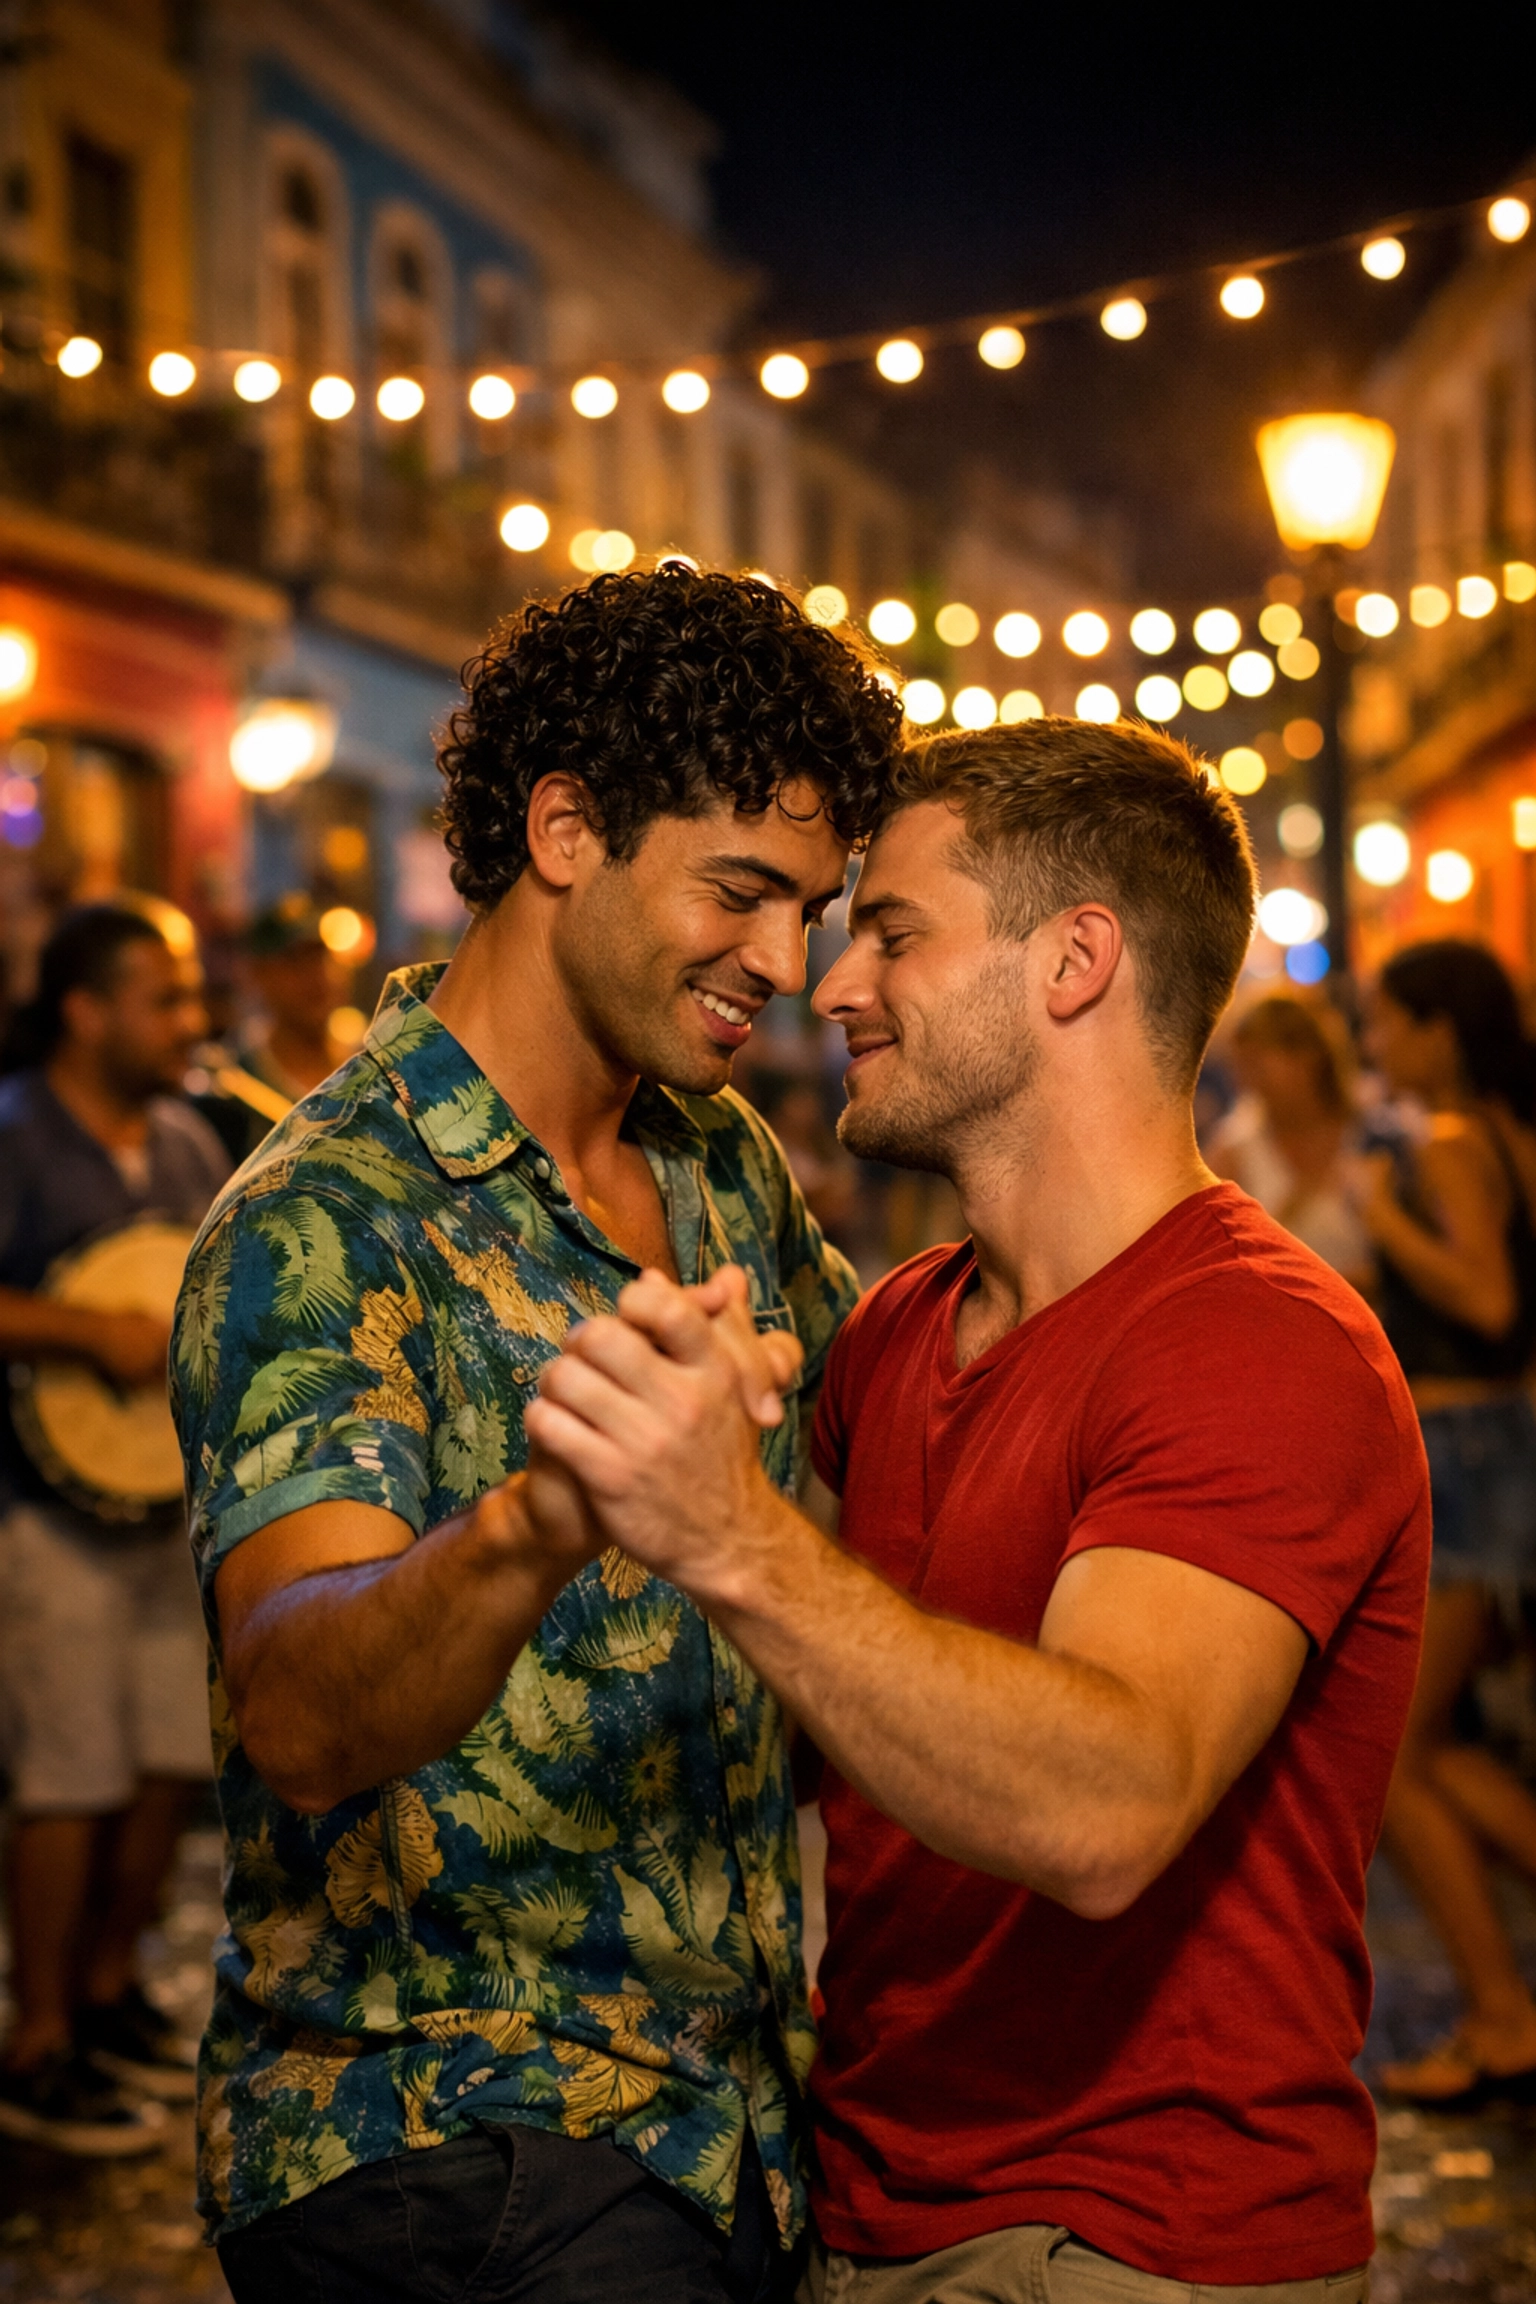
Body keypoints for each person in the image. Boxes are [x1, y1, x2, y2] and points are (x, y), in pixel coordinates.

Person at [524, 717, 1432, 2302]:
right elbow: (830, 1724)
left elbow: (1108, 1807)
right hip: (872, 2197)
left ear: (1075, 959)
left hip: (1130, 2235)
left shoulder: (1258, 1342)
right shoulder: (893, 1328)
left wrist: (737, 1536)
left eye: (892, 931)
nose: (834, 986)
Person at [170, 567, 902, 2302]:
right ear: (565, 827)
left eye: (811, 908)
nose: (783, 966)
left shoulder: (717, 1159)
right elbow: (296, 1705)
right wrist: (540, 1513)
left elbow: (895, 1416)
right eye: (741, 891)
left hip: (727, 2115)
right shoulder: (327, 1215)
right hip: (446, 2143)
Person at [0, 903, 230, 2153]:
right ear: (85, 1010)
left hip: (161, 1512)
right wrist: (89, 1334)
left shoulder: (191, 1144)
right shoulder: (18, 1135)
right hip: (43, 1516)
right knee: (67, 1775)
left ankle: (105, 1994)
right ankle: (34, 2040)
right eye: (163, 996)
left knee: (159, 1766)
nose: (187, 1022)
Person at [1349, 938, 1536, 2105]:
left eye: (1393, 1021)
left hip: (1467, 1459)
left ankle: (1504, 2014)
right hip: (1496, 1451)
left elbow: (1488, 1297)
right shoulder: (1509, 1136)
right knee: (1441, 1750)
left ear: (1441, 1030)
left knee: (1395, 1765)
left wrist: (1386, 1212)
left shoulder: (1455, 1145)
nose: (1378, 1043)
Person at [1210, 993, 1374, 1288]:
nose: (1243, 1081)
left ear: (1307, 1056)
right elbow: (1220, 1264)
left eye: (1254, 1062)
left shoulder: (1372, 1131)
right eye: (1238, 1066)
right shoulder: (1235, 1148)